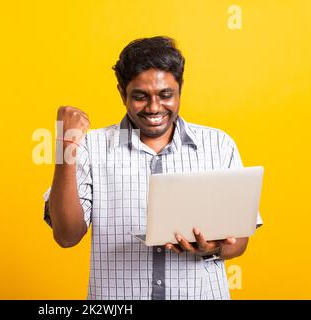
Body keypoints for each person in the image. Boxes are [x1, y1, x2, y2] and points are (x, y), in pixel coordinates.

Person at [42, 36, 263, 300]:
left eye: (166, 95)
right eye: (140, 97)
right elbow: (66, 236)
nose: (155, 107)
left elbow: (239, 243)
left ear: (180, 89)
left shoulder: (218, 144)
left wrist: (210, 249)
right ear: (122, 93)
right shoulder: (92, 147)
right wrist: (64, 144)